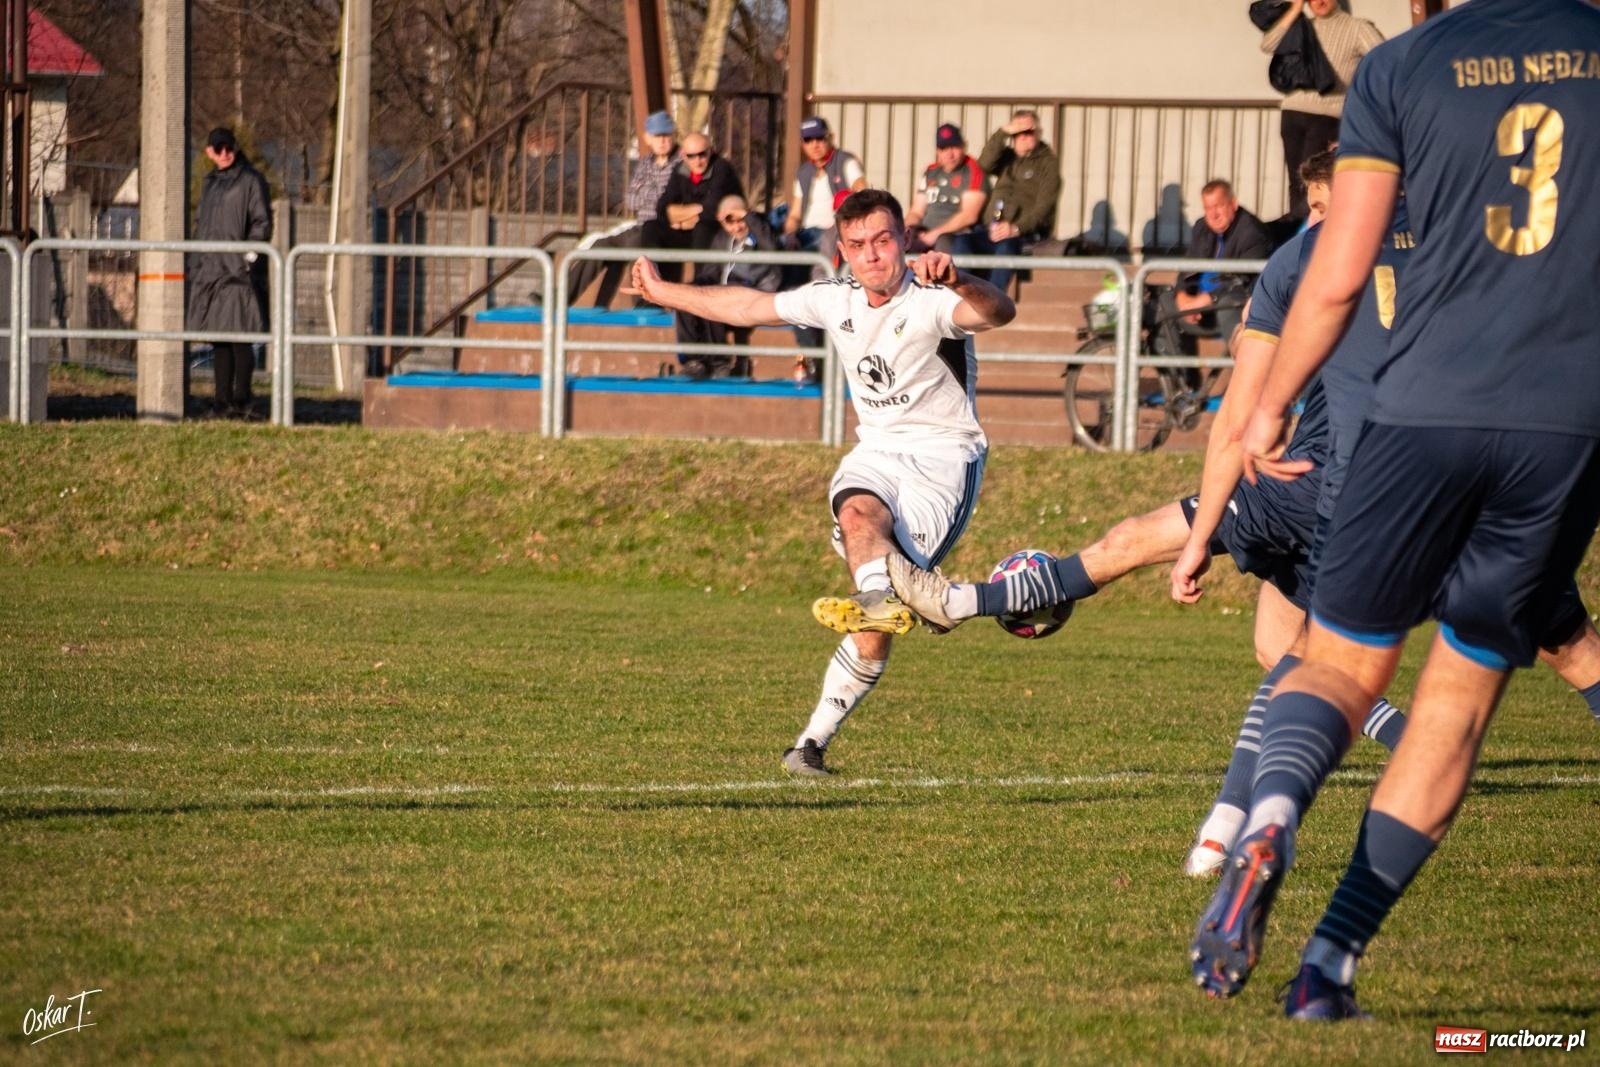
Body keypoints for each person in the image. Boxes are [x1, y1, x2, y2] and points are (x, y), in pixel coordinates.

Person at [1192, 0, 1600, 1021]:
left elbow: (1337, 272)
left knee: (1335, 662)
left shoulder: (1401, 67)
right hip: (1567, 422)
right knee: (1456, 702)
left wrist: (1273, 401)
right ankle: (1325, 966)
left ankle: (1273, 810)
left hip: (1419, 413)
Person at [631, 189, 1015, 777]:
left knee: (873, 625)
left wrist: (961, 280)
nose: (872, 256)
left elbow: (997, 313)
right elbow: (746, 306)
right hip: (878, 452)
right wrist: (663, 292)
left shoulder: (932, 301)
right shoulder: (831, 299)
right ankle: (888, 603)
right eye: (857, 245)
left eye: (883, 241)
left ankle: (814, 736)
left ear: (904, 241)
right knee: (860, 523)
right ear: (842, 250)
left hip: (943, 462)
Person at [1260, 0, 1383, 221]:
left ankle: (1313, 233)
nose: (1319, 1)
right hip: (1293, 111)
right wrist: (1295, 9)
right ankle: (1297, 238)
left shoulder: (1357, 27)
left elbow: (1383, 59)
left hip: (1329, 114)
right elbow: (1268, 44)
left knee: (1315, 179)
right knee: (1295, 181)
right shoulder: (1302, 25)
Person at [188, 126, 272, 420]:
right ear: (209, 152)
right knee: (219, 340)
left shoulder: (251, 180)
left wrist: (249, 256)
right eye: (218, 148)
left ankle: (242, 401)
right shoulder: (210, 183)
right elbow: (203, 225)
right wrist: (198, 263)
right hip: (212, 271)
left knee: (240, 338)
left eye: (228, 147)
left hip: (237, 272)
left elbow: (262, 221)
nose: (224, 153)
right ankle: (222, 401)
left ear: (234, 148)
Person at [781, 115, 867, 382]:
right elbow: (795, 213)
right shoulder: (803, 172)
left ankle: (826, 359)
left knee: (824, 261)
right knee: (793, 293)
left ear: (830, 137)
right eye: (809, 140)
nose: (815, 144)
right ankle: (814, 358)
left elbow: (861, 190)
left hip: (833, 232)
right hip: (807, 236)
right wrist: (790, 232)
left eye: (819, 138)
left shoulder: (846, 161)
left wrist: (842, 220)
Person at [566, 110, 679, 310]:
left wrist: (649, 194)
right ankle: (559, 297)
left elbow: (668, 200)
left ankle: (645, 304)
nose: (662, 141)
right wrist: (655, 194)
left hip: (663, 228)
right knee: (600, 245)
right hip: (640, 224)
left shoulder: (680, 164)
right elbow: (631, 200)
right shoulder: (646, 163)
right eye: (657, 136)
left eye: (666, 135)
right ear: (647, 138)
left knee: (639, 243)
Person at [673, 195, 781, 380]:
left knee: (718, 297)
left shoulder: (760, 233)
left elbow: (772, 247)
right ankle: (694, 360)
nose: (737, 227)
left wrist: (748, 217)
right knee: (690, 294)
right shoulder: (723, 239)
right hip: (727, 290)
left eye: (741, 221)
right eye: (730, 222)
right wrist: (696, 288)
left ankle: (718, 362)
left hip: (754, 290)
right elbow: (711, 271)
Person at [1164, 180, 1273, 349]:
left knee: (1227, 305)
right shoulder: (1201, 227)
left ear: (1233, 204)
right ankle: (1178, 374)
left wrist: (1208, 299)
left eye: (1218, 206)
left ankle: (1244, 370)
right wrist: (1182, 295)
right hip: (1200, 308)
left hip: (1235, 303)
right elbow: (1187, 268)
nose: (1213, 215)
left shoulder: (1252, 232)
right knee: (1162, 303)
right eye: (1208, 208)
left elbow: (1243, 280)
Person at [974, 109, 1061, 294]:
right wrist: (1002, 132)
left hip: (1022, 234)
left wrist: (1015, 228)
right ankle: (958, 301)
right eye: (1018, 132)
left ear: (1038, 133)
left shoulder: (1048, 163)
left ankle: (994, 300)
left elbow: (1044, 209)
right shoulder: (1007, 157)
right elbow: (983, 165)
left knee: (1006, 247)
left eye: (1029, 131)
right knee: (961, 244)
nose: (1023, 137)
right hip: (990, 228)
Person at [644, 132, 745, 256]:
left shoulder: (721, 168)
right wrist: (696, 210)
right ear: (683, 155)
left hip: (719, 230)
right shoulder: (680, 170)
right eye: (691, 156)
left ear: (711, 151)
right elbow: (662, 208)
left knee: (703, 228)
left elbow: (712, 210)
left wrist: (681, 218)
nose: (698, 161)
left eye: (702, 154)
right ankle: (650, 271)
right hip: (687, 230)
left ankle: (702, 275)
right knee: (651, 227)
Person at [902, 124, 987, 256]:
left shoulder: (973, 171)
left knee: (944, 243)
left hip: (955, 236)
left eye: (954, 147)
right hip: (924, 233)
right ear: (937, 151)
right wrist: (908, 231)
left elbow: (969, 216)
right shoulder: (931, 171)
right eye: (944, 148)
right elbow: (916, 211)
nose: (950, 154)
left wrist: (932, 236)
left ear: (963, 146)